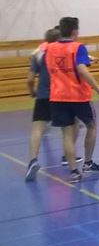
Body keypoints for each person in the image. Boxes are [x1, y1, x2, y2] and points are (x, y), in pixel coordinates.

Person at [45, 17, 99, 182]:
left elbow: (54, 66)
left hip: (58, 96)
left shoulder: (49, 48)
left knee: (67, 134)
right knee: (91, 126)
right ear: (75, 30)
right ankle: (87, 162)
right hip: (78, 95)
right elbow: (81, 69)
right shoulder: (78, 47)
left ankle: (74, 171)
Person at [24, 28, 61, 181]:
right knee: (69, 128)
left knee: (37, 129)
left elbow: (30, 79)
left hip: (43, 96)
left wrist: (32, 91)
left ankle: (33, 160)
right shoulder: (63, 54)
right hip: (61, 96)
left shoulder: (38, 55)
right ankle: (69, 159)